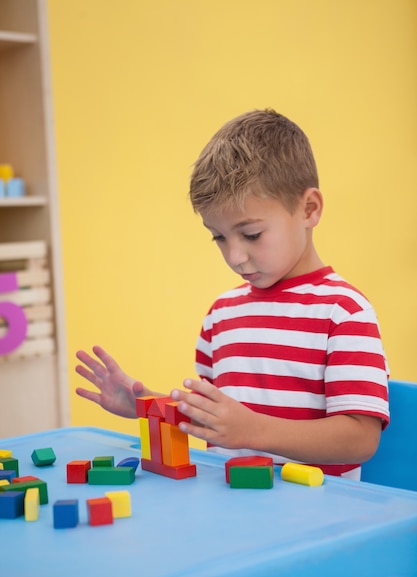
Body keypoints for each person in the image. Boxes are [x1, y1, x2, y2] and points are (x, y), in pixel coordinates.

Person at [76, 109, 389, 479]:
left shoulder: (343, 312)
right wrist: (148, 404)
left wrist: (254, 431)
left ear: (309, 209)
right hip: (233, 513)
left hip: (318, 517)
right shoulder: (221, 315)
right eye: (219, 237)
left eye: (252, 234)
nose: (235, 256)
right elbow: (217, 420)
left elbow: (360, 439)